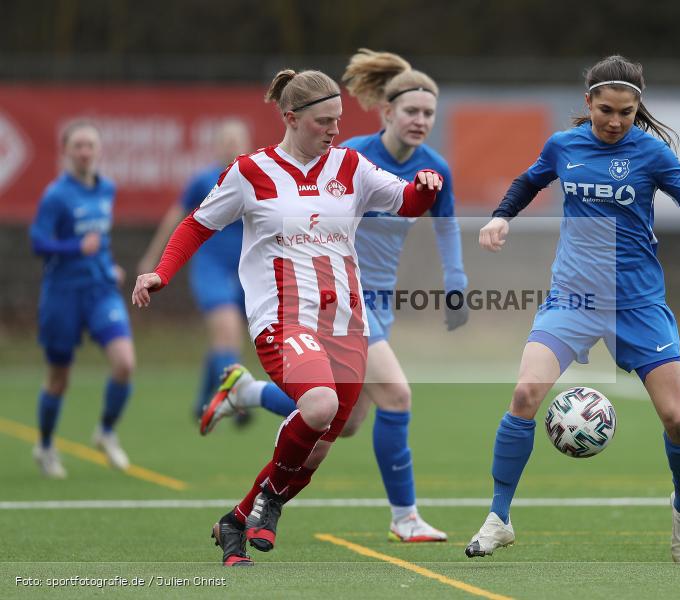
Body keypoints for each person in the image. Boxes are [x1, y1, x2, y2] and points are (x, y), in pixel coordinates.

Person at [463, 55, 680, 563]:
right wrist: (501, 217)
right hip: (574, 297)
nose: (614, 121)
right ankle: (499, 517)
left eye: (626, 112)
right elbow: (528, 181)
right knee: (524, 393)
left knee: (676, 420)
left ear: (637, 109)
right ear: (588, 103)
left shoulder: (651, 154)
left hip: (637, 302)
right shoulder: (564, 146)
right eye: (605, 110)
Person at [132, 68, 443, 566]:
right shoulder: (251, 171)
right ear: (290, 117)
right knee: (318, 408)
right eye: (323, 121)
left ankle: (236, 521)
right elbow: (196, 224)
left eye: (338, 120)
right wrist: (160, 273)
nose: (334, 130)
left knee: (324, 442)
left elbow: (406, 202)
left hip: (347, 322)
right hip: (283, 319)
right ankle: (270, 504)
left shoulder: (351, 167)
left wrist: (426, 188)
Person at [198, 49, 467, 543]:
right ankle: (404, 516)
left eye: (429, 113)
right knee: (396, 395)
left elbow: (440, 220)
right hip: (331, 302)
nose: (421, 121)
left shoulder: (433, 166)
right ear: (387, 112)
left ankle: (247, 392)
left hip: (375, 302)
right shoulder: (351, 153)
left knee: (343, 424)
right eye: (411, 111)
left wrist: (456, 278)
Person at [30, 121, 136, 478]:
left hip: (100, 290)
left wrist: (109, 265)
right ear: (66, 151)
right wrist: (75, 247)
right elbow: (38, 242)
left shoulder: (107, 188)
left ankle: (105, 431)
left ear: (99, 150)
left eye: (91, 144)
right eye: (78, 145)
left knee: (124, 363)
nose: (85, 151)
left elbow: (100, 240)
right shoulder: (56, 195)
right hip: (63, 295)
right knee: (59, 377)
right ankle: (44, 446)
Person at [137, 121, 253, 422]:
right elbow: (177, 218)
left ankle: (203, 400)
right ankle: (237, 398)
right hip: (210, 268)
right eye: (226, 140)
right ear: (216, 146)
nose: (231, 145)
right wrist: (153, 256)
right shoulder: (203, 180)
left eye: (236, 140)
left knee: (226, 340)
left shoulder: (255, 178)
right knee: (227, 330)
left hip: (245, 271)